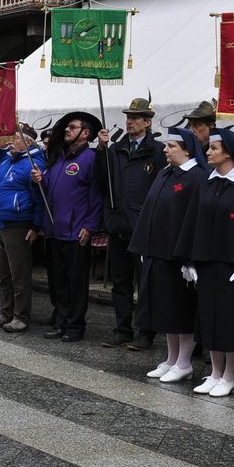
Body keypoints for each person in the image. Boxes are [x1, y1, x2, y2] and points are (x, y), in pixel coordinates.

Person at [176, 129, 234, 398]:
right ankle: (215, 372)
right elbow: (193, 220)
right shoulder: (206, 182)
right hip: (206, 262)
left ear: (229, 151)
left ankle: (229, 375)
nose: (208, 152)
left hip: (233, 265)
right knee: (210, 320)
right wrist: (189, 259)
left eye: (214, 148)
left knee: (230, 322)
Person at [133, 127, 206, 383]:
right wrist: (144, 245)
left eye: (171, 146)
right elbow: (149, 210)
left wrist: (191, 259)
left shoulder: (197, 177)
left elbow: (196, 221)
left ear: (186, 148)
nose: (165, 150)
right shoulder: (166, 172)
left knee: (180, 311)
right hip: (157, 252)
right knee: (164, 310)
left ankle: (184, 361)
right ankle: (171, 358)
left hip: (178, 256)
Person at [97, 98, 165, 349]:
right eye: (128, 117)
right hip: (118, 225)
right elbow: (102, 179)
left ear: (147, 122)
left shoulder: (157, 151)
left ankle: (145, 332)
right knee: (121, 283)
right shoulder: (116, 149)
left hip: (143, 228)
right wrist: (101, 150)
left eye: (135, 118)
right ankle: (122, 328)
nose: (129, 121)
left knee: (145, 284)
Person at [38, 111, 103, 342]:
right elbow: (52, 190)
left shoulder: (91, 159)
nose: (67, 129)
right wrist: (40, 179)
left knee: (75, 282)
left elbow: (97, 195)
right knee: (58, 281)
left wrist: (90, 225)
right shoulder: (59, 157)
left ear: (85, 133)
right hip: (55, 229)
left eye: (72, 127)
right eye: (67, 127)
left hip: (76, 231)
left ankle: (75, 326)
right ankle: (61, 320)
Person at [0, 124, 46, 332]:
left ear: (27, 143)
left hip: (18, 224)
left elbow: (39, 197)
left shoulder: (32, 163)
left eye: (16, 138)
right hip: (1, 221)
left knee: (19, 274)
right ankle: (6, 311)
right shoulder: (6, 160)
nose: (11, 141)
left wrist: (36, 226)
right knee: (4, 272)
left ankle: (21, 315)